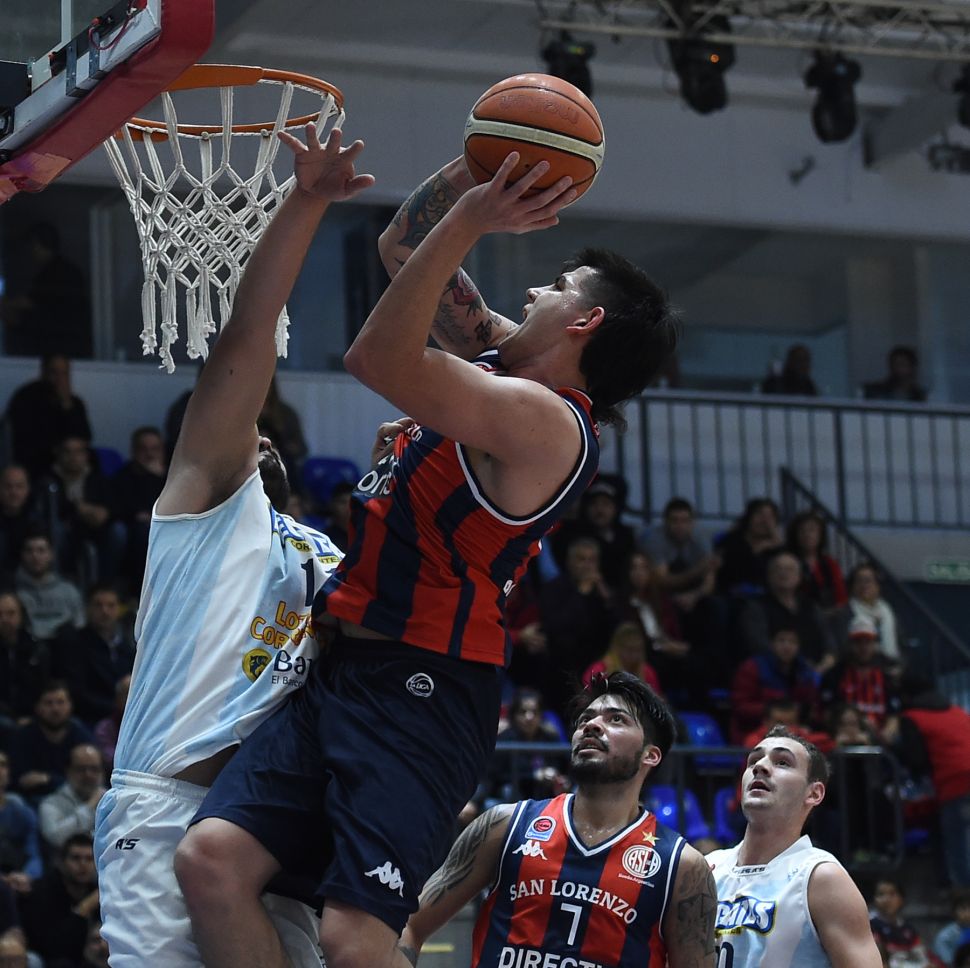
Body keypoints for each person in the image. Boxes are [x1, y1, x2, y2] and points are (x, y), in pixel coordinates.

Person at [177, 140, 678, 968]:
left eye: (557, 286)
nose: (533, 291)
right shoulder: (500, 362)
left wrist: (478, 216)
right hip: (345, 668)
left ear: (585, 322)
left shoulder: (549, 422)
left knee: (354, 939)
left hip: (425, 689)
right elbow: (405, 244)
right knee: (212, 863)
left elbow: (374, 358)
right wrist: (483, 162)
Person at [91, 125, 356, 968]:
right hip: (169, 805)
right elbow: (247, 336)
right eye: (246, 431)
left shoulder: (331, 557)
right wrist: (305, 202)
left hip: (277, 826)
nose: (256, 435)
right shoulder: (203, 505)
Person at [399, 672, 717, 967]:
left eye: (616, 719)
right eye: (586, 719)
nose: (592, 725)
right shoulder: (505, 826)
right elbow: (409, 925)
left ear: (651, 754)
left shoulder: (681, 867)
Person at [708, 725, 882, 966]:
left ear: (814, 793)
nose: (760, 767)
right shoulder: (708, 867)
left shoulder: (821, 877)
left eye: (782, 763)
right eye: (754, 760)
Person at [894, 675, 970, 888]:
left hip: (954, 783)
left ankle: (963, 896)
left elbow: (916, 759)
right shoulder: (957, 711)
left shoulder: (912, 717)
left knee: (957, 845)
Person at [737, 550, 836, 673]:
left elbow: (830, 644)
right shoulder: (756, 607)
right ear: (769, 576)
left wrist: (823, 666)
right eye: (778, 569)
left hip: (817, 673)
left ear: (799, 577)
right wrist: (799, 667)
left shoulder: (811, 606)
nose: (784, 573)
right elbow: (759, 646)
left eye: (790, 569)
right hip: (775, 674)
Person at [53, 584, 135, 728]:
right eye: (98, 605)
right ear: (87, 609)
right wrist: (116, 708)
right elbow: (77, 693)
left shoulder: (128, 647)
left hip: (126, 718)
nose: (105, 611)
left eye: (111, 605)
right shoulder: (75, 644)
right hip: (90, 719)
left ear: (119, 609)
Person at [4, 355, 92, 480]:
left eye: (64, 373)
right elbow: (23, 439)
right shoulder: (26, 397)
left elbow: (84, 437)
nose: (59, 378)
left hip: (68, 458)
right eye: (54, 372)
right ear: (44, 373)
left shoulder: (75, 403)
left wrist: (67, 406)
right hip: (36, 460)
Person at [729, 626, 820, 744]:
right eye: (781, 641)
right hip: (753, 731)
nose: (787, 646)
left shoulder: (805, 672)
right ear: (772, 644)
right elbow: (741, 707)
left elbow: (811, 707)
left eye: (792, 642)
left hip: (793, 734)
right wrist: (774, 709)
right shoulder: (753, 668)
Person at [20, 833, 98, 966]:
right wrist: (85, 908)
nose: (83, 864)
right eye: (76, 858)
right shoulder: (41, 891)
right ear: (61, 862)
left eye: (89, 859)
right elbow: (53, 947)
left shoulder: (97, 891)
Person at [8, 682, 93, 804]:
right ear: (37, 707)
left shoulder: (82, 736)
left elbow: (89, 778)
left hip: (75, 799)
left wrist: (48, 779)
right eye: (49, 703)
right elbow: (21, 780)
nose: (55, 709)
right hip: (33, 800)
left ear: (70, 706)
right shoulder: (23, 736)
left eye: (60, 702)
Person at [820, 614, 900, 740]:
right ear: (850, 644)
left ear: (875, 644)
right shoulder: (834, 675)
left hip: (878, 740)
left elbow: (893, 717)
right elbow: (827, 714)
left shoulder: (886, 677)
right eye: (858, 642)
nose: (863, 647)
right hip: (842, 738)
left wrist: (884, 736)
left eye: (868, 642)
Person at [109, 426, 167, 594]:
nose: (150, 454)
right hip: (133, 529)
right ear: (133, 451)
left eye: (155, 449)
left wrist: (160, 477)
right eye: (144, 449)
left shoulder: (170, 476)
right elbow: (116, 508)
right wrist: (136, 515)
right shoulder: (122, 476)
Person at [13, 531, 84, 643]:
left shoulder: (69, 591)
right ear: (22, 555)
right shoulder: (12, 593)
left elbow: (80, 626)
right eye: (29, 551)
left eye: (41, 550)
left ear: (51, 555)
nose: (35, 556)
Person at [38, 744, 105, 851]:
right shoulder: (51, 803)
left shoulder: (113, 801)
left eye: (94, 769)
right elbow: (55, 838)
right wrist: (90, 806)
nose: (88, 774)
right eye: (81, 769)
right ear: (68, 771)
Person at [715, 497, 784, 598]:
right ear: (749, 517)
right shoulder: (731, 541)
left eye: (770, 516)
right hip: (734, 595)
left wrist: (777, 542)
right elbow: (732, 572)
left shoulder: (775, 547)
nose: (765, 521)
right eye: (759, 514)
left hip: (768, 597)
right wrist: (755, 552)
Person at [869, 877, 944, 967]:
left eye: (892, 894)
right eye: (881, 894)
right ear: (874, 899)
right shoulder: (870, 926)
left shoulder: (909, 929)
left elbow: (922, 954)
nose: (886, 899)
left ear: (901, 899)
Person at [785, 509, 847, 611]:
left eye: (812, 530)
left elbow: (840, 596)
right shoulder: (788, 561)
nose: (807, 535)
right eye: (802, 530)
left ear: (820, 534)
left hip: (830, 613)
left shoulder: (830, 563)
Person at [0, 466, 37, 579]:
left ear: (28, 489)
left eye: (19, 486)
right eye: (8, 486)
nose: (14, 492)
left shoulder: (38, 521)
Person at [863, 345, 927, 402]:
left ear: (912, 367)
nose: (897, 368)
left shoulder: (921, 397)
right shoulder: (875, 393)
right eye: (894, 364)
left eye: (902, 364)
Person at [934, 889, 970, 966]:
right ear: (954, 911)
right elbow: (948, 962)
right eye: (963, 909)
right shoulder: (945, 937)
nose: (967, 913)